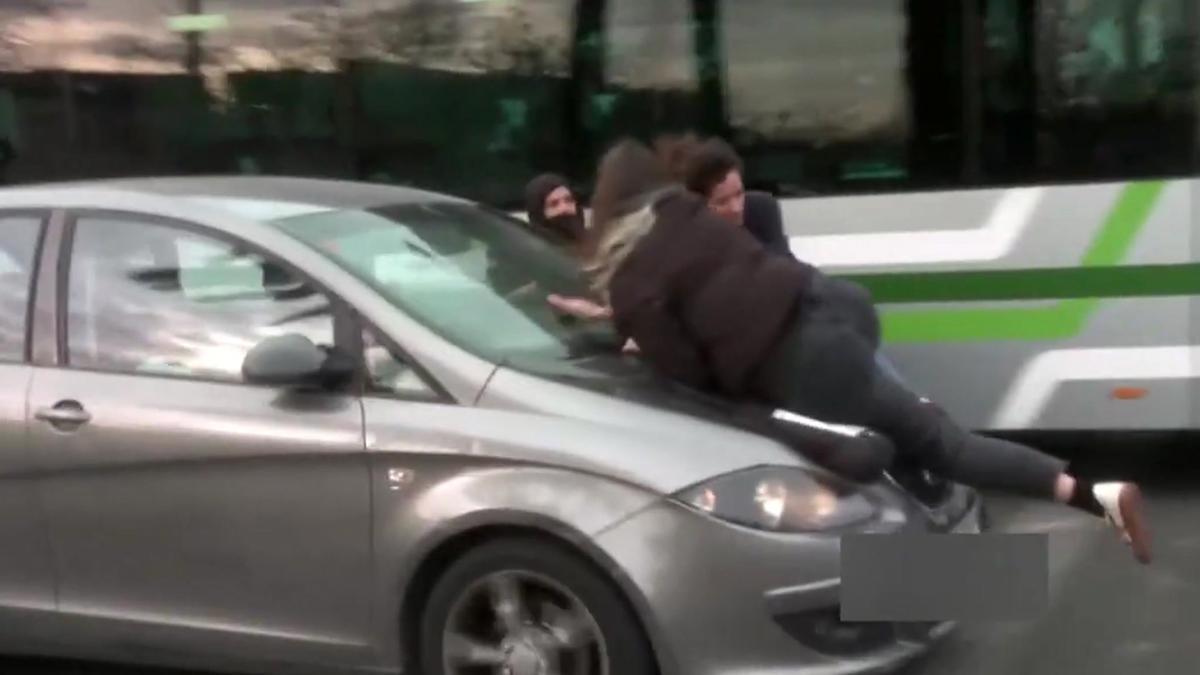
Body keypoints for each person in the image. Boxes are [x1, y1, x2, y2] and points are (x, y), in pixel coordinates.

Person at [583, 138, 1152, 564]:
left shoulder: (632, 282)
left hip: (793, 369)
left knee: (855, 480)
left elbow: (687, 373)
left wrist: (649, 347)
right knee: (940, 445)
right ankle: (1094, 493)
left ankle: (940, 587)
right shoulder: (693, 217)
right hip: (831, 320)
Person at [523, 173, 586, 247]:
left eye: (569, 200)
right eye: (554, 204)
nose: (564, 208)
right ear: (539, 213)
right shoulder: (533, 251)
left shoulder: (596, 242)